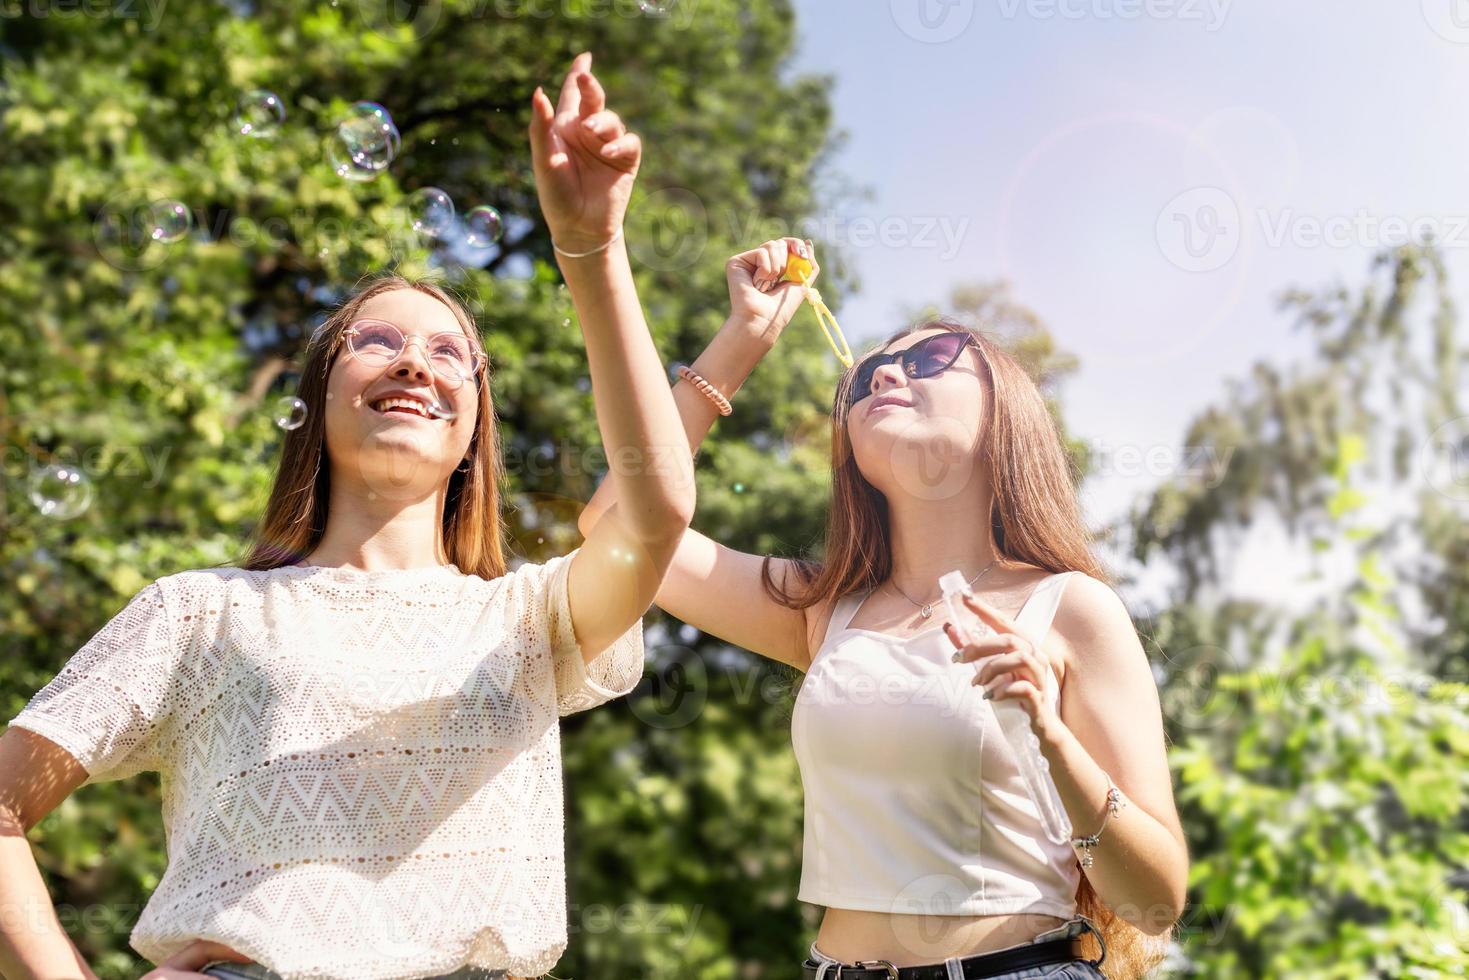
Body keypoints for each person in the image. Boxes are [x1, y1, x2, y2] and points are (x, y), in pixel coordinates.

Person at [0, 51, 692, 980]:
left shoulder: (528, 620)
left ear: (474, 427)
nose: (415, 363)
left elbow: (655, 517)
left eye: (450, 353)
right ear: (320, 399)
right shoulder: (201, 612)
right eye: (377, 341)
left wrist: (593, 250)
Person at [577, 237, 1188, 978]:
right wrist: (743, 340)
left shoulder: (1070, 609)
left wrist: (1052, 740)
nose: (887, 371)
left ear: (1006, 415)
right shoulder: (821, 609)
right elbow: (613, 529)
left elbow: (1154, 904)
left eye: (930, 360)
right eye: (868, 372)